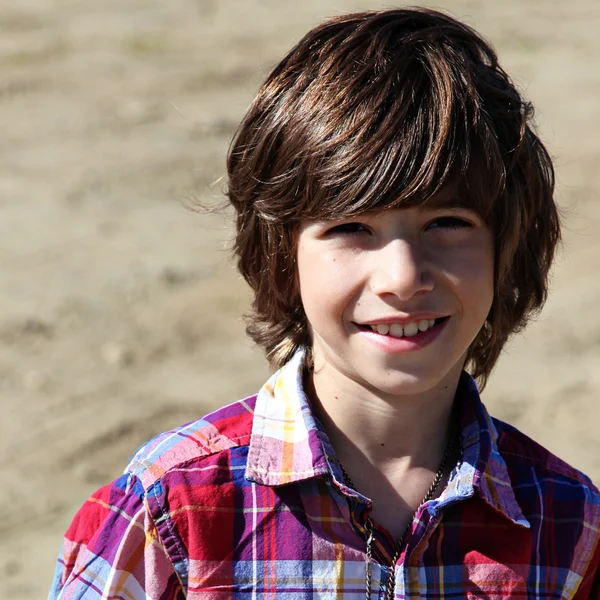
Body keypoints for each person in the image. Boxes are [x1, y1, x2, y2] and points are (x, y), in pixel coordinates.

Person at [49, 8, 600, 599]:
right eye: (352, 227)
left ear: (506, 248)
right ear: (282, 255)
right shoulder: (170, 511)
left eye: (447, 222)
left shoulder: (565, 525)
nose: (402, 276)